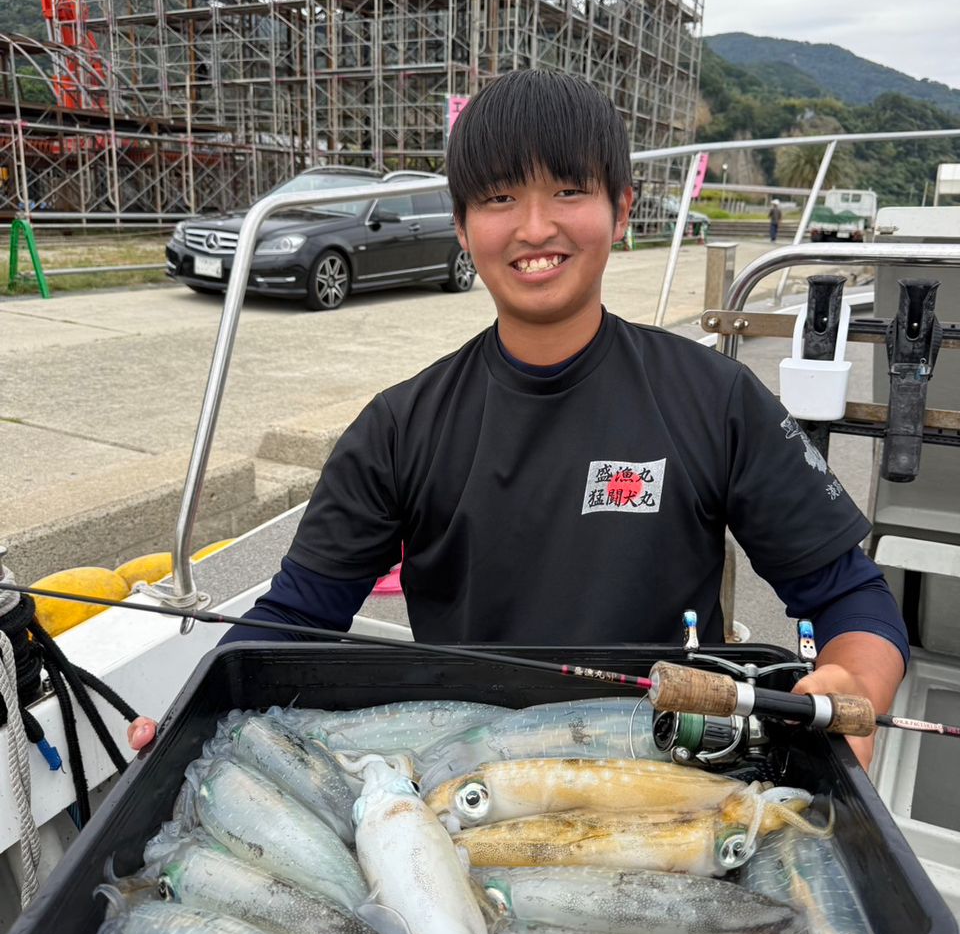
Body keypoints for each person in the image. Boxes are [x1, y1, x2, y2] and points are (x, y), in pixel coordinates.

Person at [128, 70, 906, 764]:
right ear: (463, 227)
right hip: (463, 771)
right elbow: (298, 614)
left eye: (568, 191)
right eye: (500, 198)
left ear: (622, 209)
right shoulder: (398, 427)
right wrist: (193, 712)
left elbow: (849, 594)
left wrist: (851, 682)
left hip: (668, 768)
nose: (535, 228)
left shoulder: (716, 397)